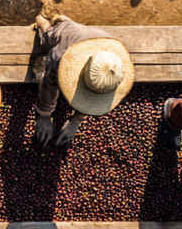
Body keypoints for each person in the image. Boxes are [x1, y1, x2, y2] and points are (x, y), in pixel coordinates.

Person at [30, 14, 134, 146]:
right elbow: (49, 83)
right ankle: (41, 18)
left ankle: (67, 22)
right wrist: (44, 115)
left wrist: (76, 120)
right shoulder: (61, 58)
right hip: (66, 35)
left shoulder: (115, 67)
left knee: (75, 29)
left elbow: (97, 94)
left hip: (95, 35)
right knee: (48, 37)